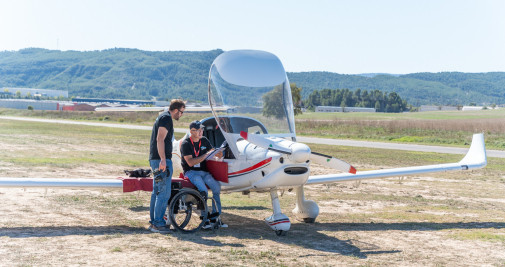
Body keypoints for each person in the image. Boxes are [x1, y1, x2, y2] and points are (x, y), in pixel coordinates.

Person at [180, 120, 227, 229]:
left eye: (202, 129)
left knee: (216, 188)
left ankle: (216, 217)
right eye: (198, 130)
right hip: (191, 172)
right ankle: (204, 219)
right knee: (204, 191)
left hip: (204, 172)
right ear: (192, 131)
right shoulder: (186, 144)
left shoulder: (204, 140)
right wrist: (206, 154)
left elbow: (212, 153)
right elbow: (191, 162)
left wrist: (218, 154)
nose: (201, 132)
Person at [148, 99, 185, 233]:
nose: (181, 115)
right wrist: (163, 159)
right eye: (181, 112)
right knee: (164, 192)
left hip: (156, 159)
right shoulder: (166, 118)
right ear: (176, 110)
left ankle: (153, 222)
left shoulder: (162, 117)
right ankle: (158, 223)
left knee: (157, 191)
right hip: (161, 160)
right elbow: (160, 139)